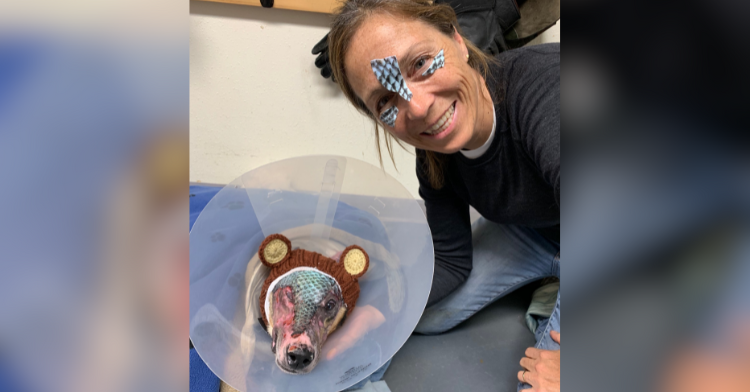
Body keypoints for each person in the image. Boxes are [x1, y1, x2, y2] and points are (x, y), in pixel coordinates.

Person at [326, 0, 560, 391]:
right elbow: (451, 260)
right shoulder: (435, 151)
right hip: (537, 231)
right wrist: (378, 310)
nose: (418, 108)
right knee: (422, 314)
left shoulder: (545, 91)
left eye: (419, 63)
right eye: (385, 101)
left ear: (458, 40)